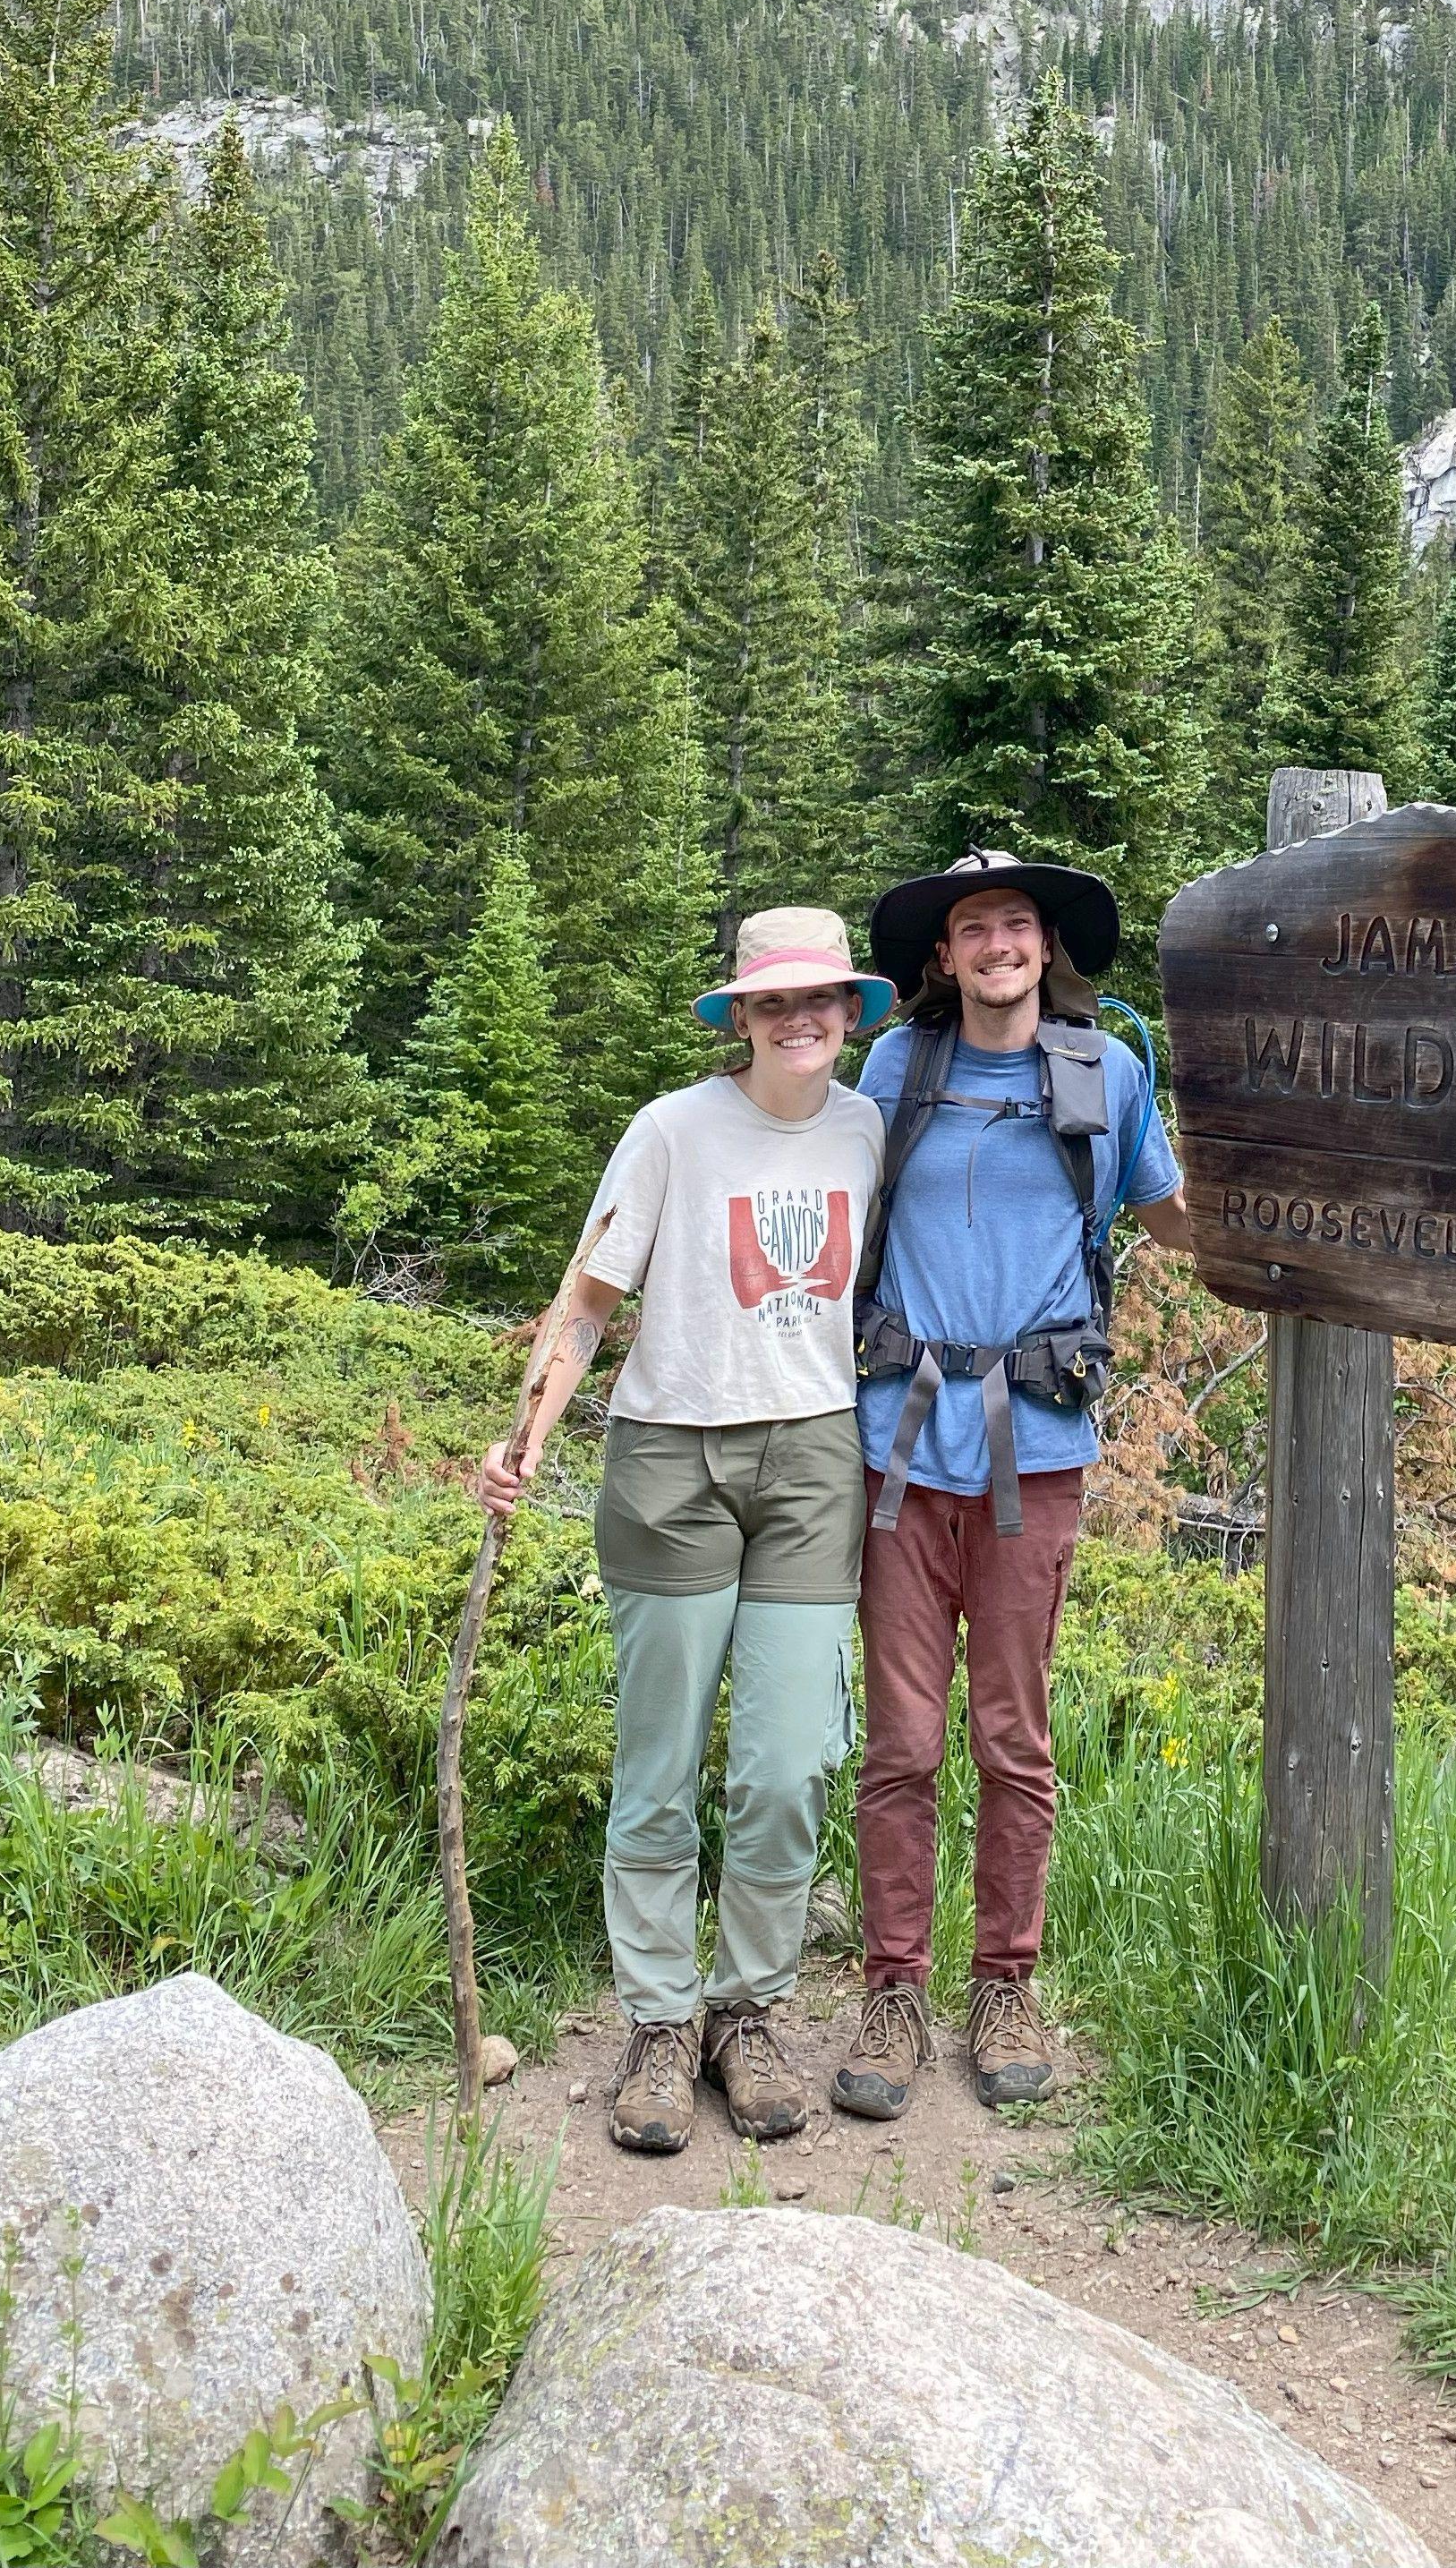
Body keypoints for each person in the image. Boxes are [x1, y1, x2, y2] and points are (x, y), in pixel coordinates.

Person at [474, 906, 893, 2155]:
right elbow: (590, 1294)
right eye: (775, 1004)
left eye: (822, 1000)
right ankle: (659, 2024)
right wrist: (531, 1432)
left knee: (787, 1761)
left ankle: (747, 2011)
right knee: (659, 1764)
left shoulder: (869, 1128)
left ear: (851, 1012)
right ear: (742, 1019)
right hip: (671, 1458)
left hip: (818, 1455)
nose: (801, 1021)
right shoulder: (670, 1133)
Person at [829, 849, 1193, 2121]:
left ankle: (1004, 1983)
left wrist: (1308, 1228)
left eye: (1018, 926)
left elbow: (1172, 1216)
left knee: (1012, 1738)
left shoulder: (1109, 1073)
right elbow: (821, 1205)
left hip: (1037, 1449)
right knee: (905, 1740)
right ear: (943, 957)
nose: (997, 946)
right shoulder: (894, 1071)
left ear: (1048, 950)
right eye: (974, 928)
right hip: (898, 1445)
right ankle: (891, 1992)